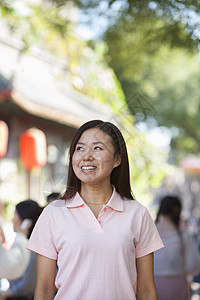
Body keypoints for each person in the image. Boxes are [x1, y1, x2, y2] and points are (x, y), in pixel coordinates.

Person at [27, 119, 164, 300]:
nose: (87, 156)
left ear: (117, 159)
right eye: (80, 148)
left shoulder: (138, 214)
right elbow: (44, 290)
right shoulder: (54, 213)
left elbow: (146, 289)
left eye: (97, 148)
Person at [154, 195, 200, 300]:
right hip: (178, 284)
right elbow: (193, 264)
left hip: (152, 284)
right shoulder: (183, 234)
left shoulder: (150, 231)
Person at [0, 199, 43, 300]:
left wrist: (6, 294)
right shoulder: (23, 241)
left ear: (26, 221)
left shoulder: (32, 248)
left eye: (15, 216)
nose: (12, 220)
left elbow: (27, 286)